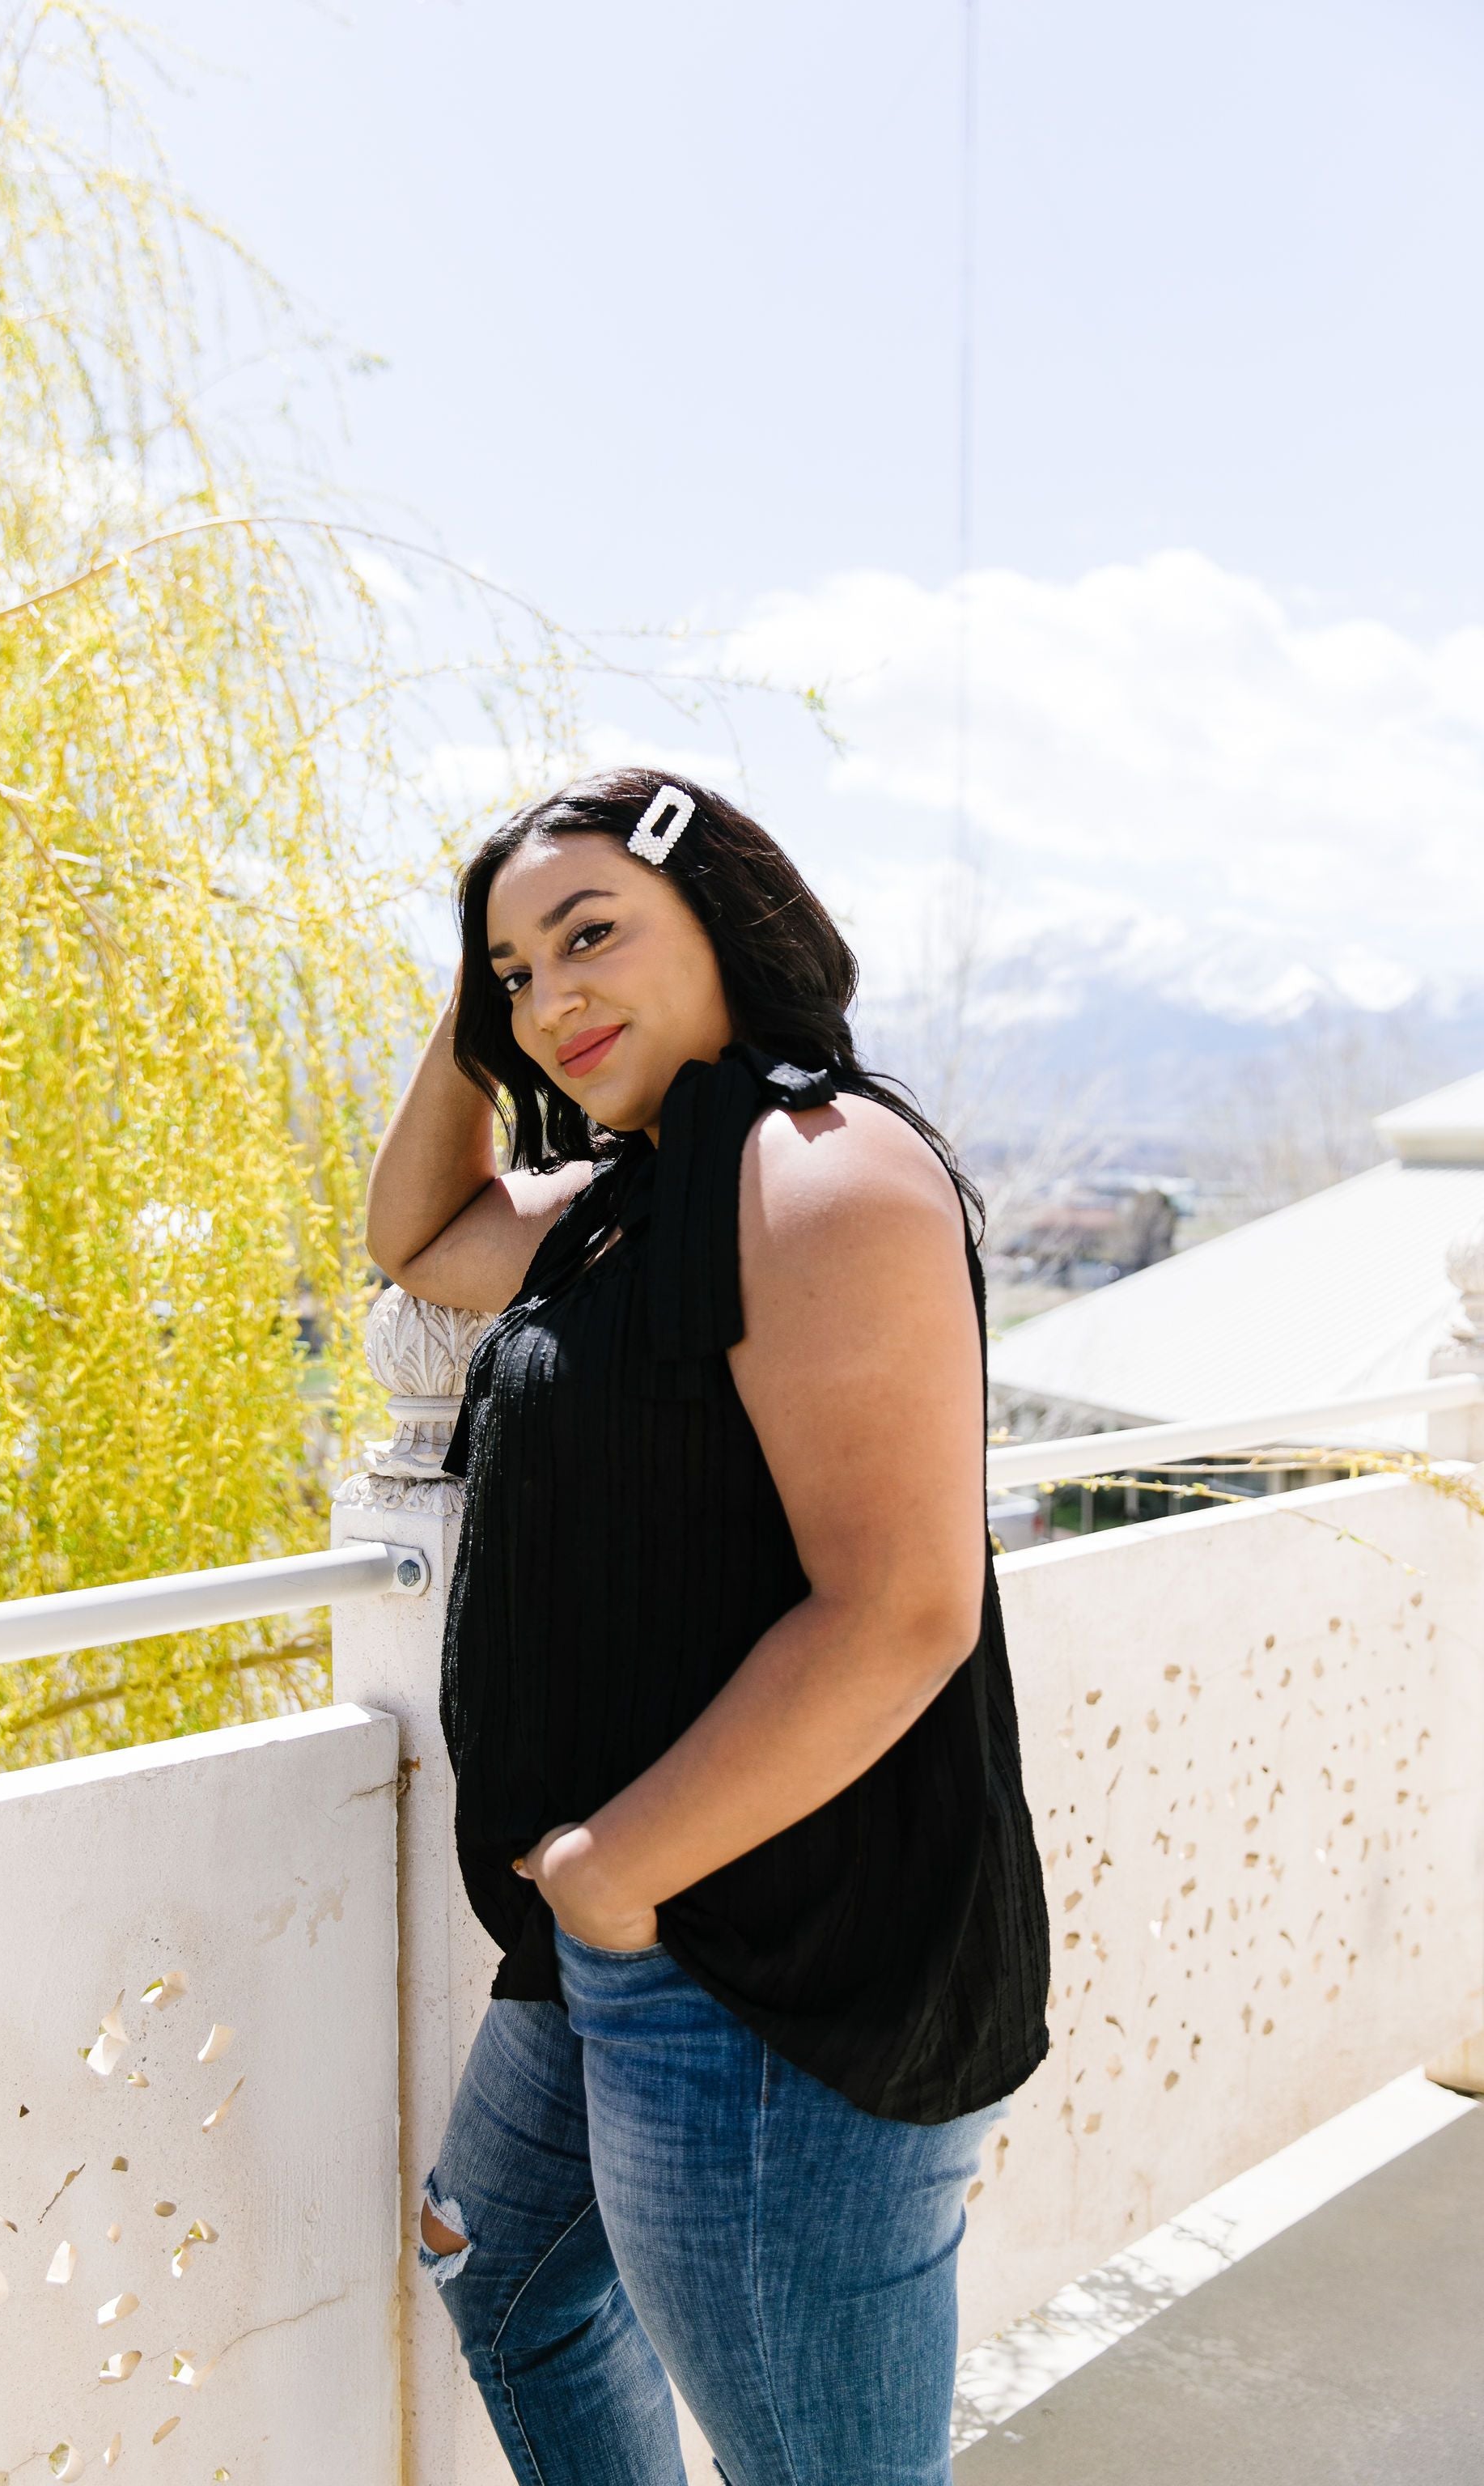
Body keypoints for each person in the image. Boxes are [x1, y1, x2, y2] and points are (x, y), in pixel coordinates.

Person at [365, 769, 1049, 2486]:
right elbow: (419, 1237)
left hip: (765, 1962)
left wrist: (613, 1874)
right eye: (513, 971)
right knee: (506, 2275)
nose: (549, 997)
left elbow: (900, 1609)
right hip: (621, 1931)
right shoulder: (629, 1193)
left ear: (724, 919)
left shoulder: (821, 1171)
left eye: (591, 934)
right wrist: (481, 1018)